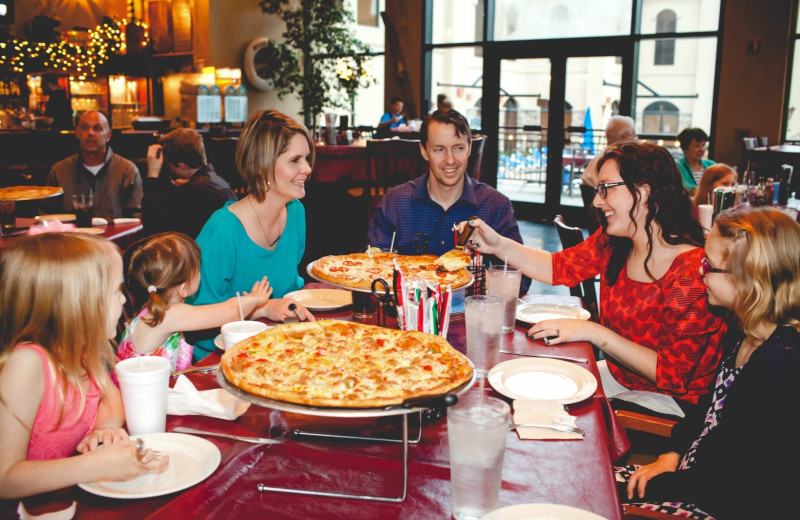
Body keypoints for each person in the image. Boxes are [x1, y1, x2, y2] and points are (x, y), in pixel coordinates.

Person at [464, 141, 726, 418]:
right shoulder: (615, 242)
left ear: (644, 190)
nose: (597, 201)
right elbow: (558, 268)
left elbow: (674, 375)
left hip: (672, 406)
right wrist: (498, 245)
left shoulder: (691, 271)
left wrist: (593, 331)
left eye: (606, 188)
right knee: (523, 387)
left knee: (545, 412)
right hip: (622, 380)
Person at [616, 207, 800, 519]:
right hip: (692, 476)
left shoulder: (781, 364)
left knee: (589, 493)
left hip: (720, 501)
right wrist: (672, 453)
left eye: (709, 266)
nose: (700, 272)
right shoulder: (746, 332)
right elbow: (707, 411)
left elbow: (732, 477)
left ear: (749, 281)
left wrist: (659, 482)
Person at [0, 233, 168, 499]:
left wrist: (106, 427)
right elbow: (5, 479)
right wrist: (96, 465)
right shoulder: (27, 365)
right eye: (115, 291)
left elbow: (112, 398)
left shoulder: (86, 350)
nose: (124, 301)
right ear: (75, 303)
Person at [187, 110, 315, 361]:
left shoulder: (296, 213)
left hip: (275, 349)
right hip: (218, 360)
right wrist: (262, 308)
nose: (307, 168)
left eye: (307, 158)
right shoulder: (222, 230)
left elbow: (290, 289)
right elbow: (195, 319)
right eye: (295, 160)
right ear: (262, 167)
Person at [367, 108, 531, 295]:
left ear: (469, 147)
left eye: (458, 148)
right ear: (424, 151)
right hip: (405, 318)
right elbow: (371, 270)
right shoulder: (394, 203)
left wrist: (474, 280)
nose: (450, 160)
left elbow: (521, 278)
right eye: (439, 150)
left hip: (470, 320)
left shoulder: (495, 205)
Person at [119, 232, 273, 370]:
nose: (200, 272)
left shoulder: (152, 310)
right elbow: (229, 311)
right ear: (183, 289)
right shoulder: (170, 314)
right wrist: (256, 298)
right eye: (197, 268)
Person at [47, 111, 143, 220]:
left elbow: (136, 220)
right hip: (71, 236)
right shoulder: (59, 171)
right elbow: (47, 218)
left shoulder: (127, 171)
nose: (90, 133)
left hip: (114, 236)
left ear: (108, 135)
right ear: (77, 133)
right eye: (84, 127)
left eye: (97, 128)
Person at [142, 128, 237, 238]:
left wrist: (152, 174)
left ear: (182, 165)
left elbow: (153, 229)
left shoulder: (192, 192)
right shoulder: (217, 182)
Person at [581, 115, 637, 187]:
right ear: (624, 136)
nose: (635, 139)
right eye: (633, 135)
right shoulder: (616, 160)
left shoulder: (601, 156)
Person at [676, 127, 715, 195]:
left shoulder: (711, 165)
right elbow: (686, 188)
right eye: (697, 146)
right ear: (684, 148)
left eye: (703, 145)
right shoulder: (678, 165)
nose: (702, 149)